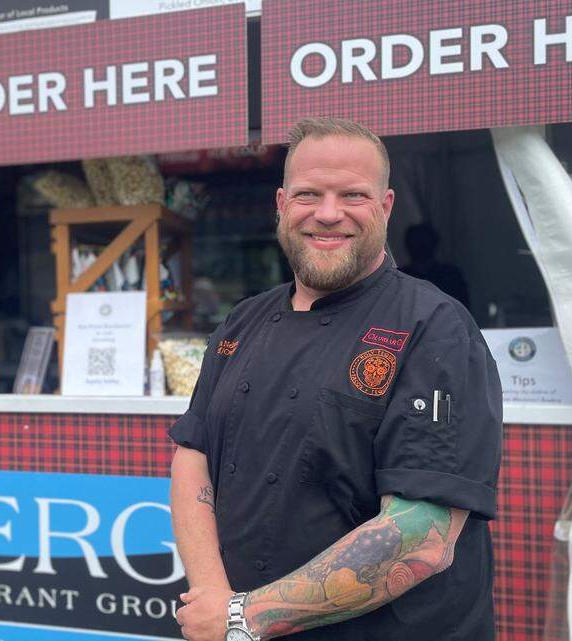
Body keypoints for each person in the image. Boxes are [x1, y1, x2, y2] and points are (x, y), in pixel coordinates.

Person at [170, 118, 501, 641]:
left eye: (352, 194)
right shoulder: (242, 321)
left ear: (386, 207)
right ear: (281, 204)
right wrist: (215, 598)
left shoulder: (434, 328)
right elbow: (194, 456)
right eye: (308, 194)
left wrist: (241, 618)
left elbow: (421, 536)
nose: (328, 214)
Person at [400, 222, 470, 309]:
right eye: (417, 242)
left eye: (423, 242)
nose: (420, 246)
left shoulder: (451, 275)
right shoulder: (400, 279)